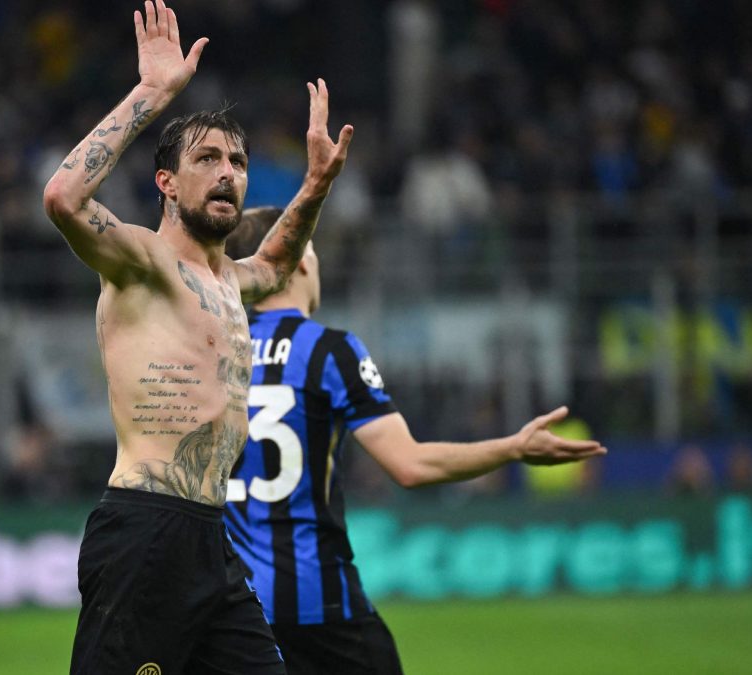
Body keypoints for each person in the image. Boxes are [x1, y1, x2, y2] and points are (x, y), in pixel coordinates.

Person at [41, 2, 353, 673]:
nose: (227, 172)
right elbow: (63, 198)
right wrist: (152, 93)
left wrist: (315, 185)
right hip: (144, 530)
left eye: (237, 160)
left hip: (212, 536)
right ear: (165, 182)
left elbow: (276, 265)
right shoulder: (142, 261)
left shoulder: (231, 281)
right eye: (207, 158)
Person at [223, 207, 608, 675]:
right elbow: (410, 465)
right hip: (317, 600)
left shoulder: (216, 350)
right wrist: (513, 448)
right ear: (299, 259)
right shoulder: (328, 350)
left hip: (234, 608)